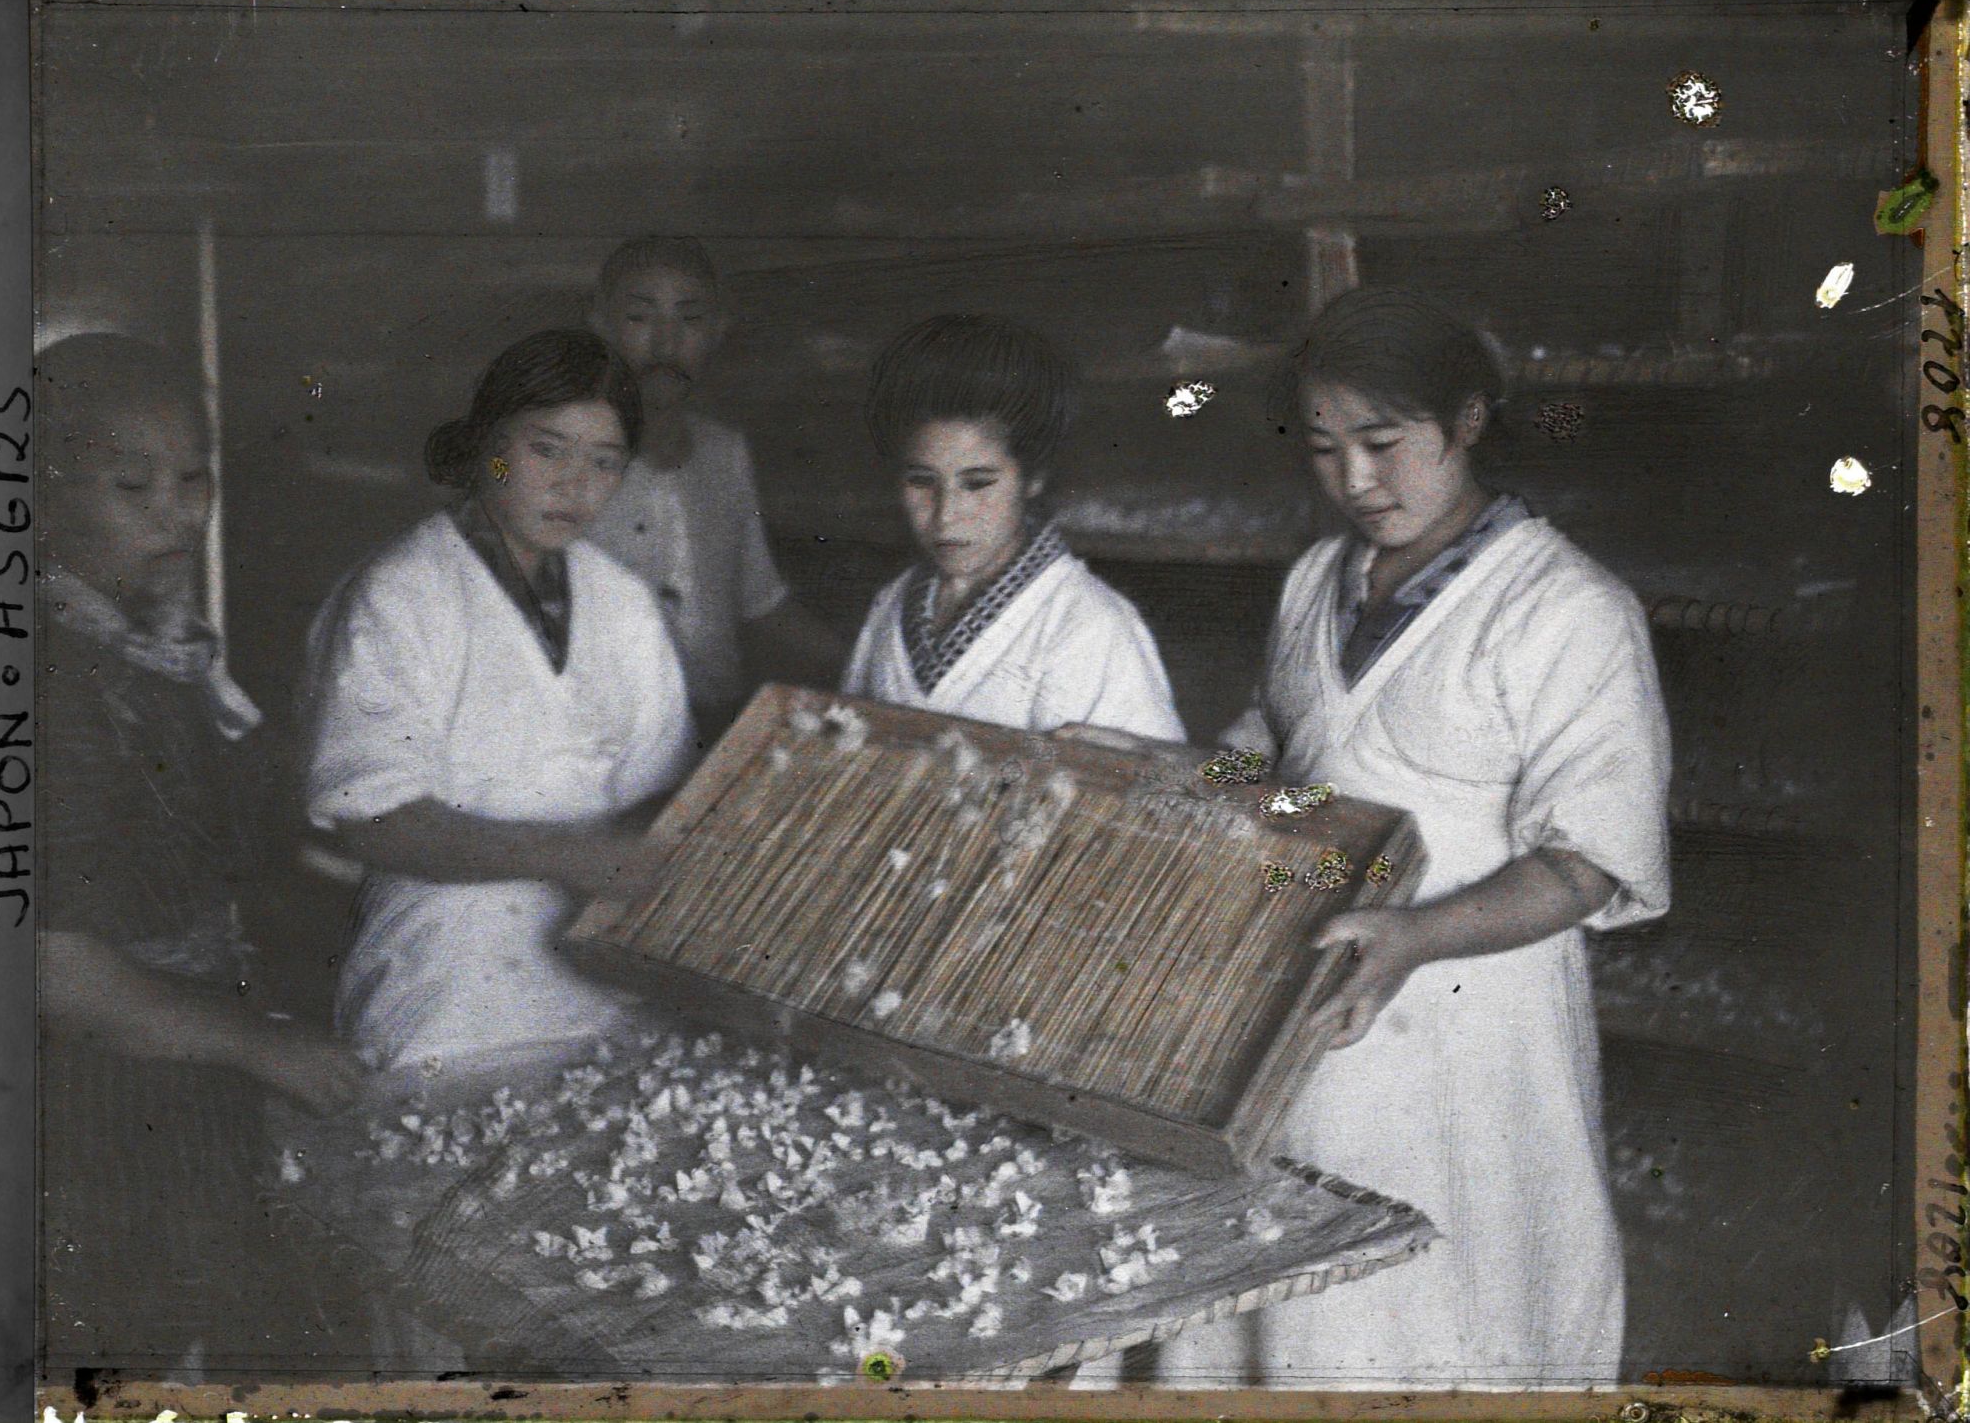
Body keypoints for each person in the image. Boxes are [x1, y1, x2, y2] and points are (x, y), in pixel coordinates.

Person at [1146, 287, 1673, 1388]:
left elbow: (1585, 860)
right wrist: (1204, 778)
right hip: (1322, 982)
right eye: (1327, 448)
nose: (1354, 481)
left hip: (1472, 1026)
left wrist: (1418, 935)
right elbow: (1281, 750)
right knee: (1298, 1310)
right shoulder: (1313, 581)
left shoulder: (1565, 610)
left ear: (1467, 420)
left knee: (1452, 1297)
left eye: (1384, 444)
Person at [38, 333, 370, 1373]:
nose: (179, 514)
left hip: (183, 1079)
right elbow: (54, 968)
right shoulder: (44, 687)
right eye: (133, 485)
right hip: (95, 1101)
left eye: (195, 479)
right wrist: (260, 1044)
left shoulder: (147, 645)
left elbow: (210, 837)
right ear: (38, 490)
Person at [304, 328, 698, 1079]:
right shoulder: (400, 594)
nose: (574, 485)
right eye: (548, 449)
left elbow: (663, 793)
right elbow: (373, 818)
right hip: (446, 1005)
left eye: (604, 462)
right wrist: (576, 856)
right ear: (488, 443)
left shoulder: (623, 604)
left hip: (606, 1003)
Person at [841, 312, 1184, 742]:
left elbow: (1146, 790)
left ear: (1033, 478)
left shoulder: (1089, 625)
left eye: (978, 483)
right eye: (921, 481)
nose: (946, 515)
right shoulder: (894, 602)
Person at [586, 236, 846, 741]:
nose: (666, 345)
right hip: (605, 737)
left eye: (690, 320)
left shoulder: (724, 454)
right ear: (600, 325)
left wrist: (868, 663)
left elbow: (761, 603)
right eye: (640, 318)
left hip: (714, 727)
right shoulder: (561, 460)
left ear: (717, 332)